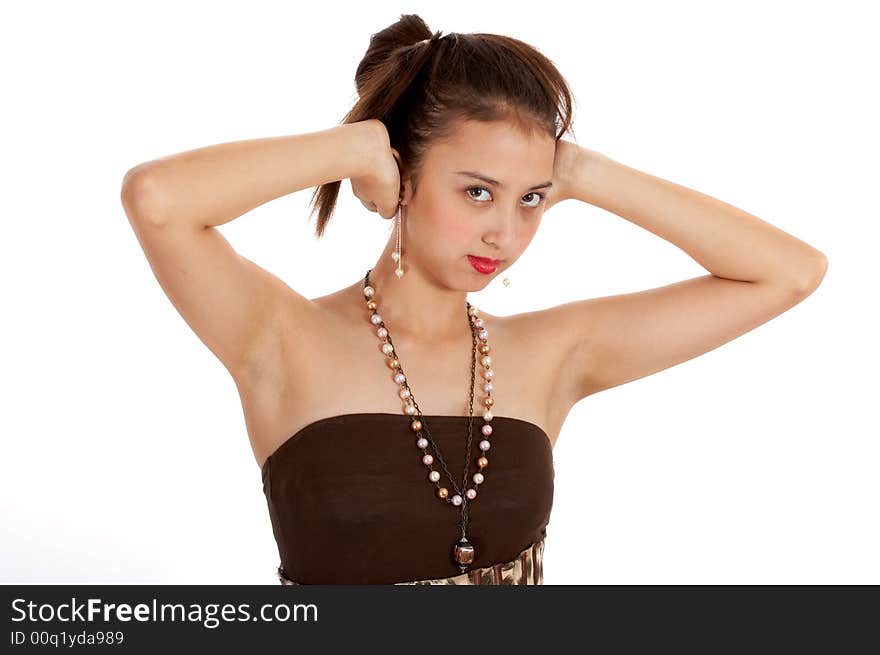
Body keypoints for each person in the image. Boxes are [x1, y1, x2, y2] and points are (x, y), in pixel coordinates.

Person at [118, 14, 828, 585]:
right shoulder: (278, 336)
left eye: (532, 201)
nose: (507, 230)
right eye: (477, 190)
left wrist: (581, 170)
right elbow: (157, 200)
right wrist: (355, 148)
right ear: (404, 176)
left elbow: (790, 272)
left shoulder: (552, 353)